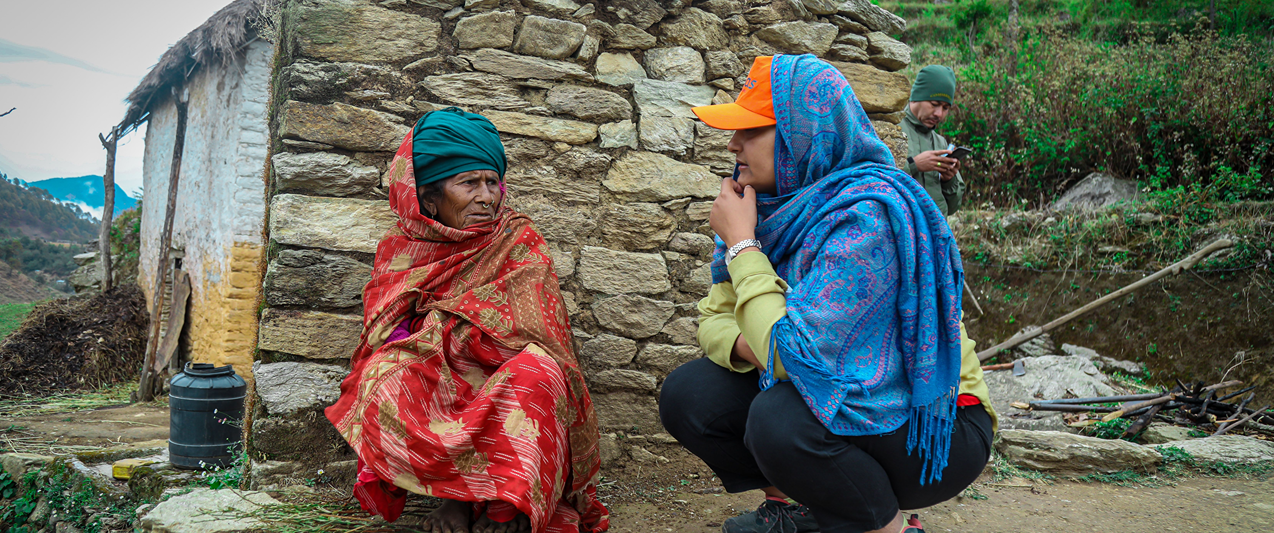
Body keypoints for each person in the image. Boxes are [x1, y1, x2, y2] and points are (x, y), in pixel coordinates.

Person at [658, 55, 998, 533]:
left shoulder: (868, 216)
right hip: (847, 401)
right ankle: (805, 509)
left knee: (780, 419)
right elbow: (713, 321)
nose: (733, 144)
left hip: (936, 428)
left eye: (751, 130)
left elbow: (789, 355)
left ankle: (891, 527)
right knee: (689, 395)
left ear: (805, 134)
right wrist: (758, 342)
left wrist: (743, 247)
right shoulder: (768, 208)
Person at [325, 107, 609, 533]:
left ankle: (508, 502)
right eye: (469, 183)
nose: (487, 196)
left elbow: (542, 329)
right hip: (437, 368)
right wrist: (436, 342)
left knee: (540, 372)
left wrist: (452, 330)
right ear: (429, 198)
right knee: (385, 374)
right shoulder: (402, 251)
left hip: (504, 367)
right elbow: (385, 331)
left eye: (492, 182)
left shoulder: (517, 238)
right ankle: (454, 499)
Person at [902, 65, 964, 217]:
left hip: (936, 235)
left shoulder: (941, 143)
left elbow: (953, 207)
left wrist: (949, 180)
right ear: (917, 97)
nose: (939, 114)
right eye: (934, 104)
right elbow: (870, 180)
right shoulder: (889, 128)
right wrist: (914, 165)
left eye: (945, 108)